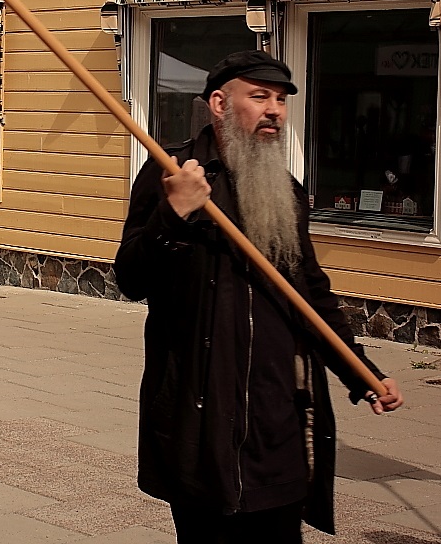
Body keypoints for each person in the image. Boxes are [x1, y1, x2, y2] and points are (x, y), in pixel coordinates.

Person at [114, 50, 403, 544]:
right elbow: (131, 277)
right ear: (221, 104)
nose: (275, 109)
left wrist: (362, 373)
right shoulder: (174, 173)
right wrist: (175, 214)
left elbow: (309, 293)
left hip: (278, 413)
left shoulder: (286, 190)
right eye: (261, 96)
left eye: (281, 99)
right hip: (204, 408)